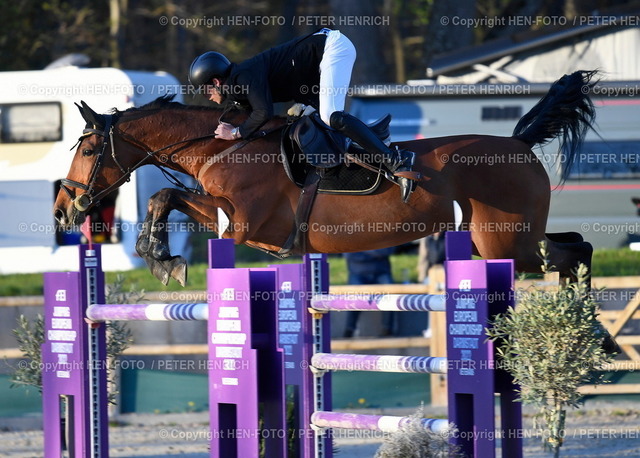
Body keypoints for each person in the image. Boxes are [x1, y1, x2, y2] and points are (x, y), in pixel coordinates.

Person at [188, 28, 417, 201]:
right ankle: (376, 139)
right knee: (318, 122)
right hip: (312, 69)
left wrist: (236, 133)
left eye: (204, 89)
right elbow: (255, 120)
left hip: (332, 47)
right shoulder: (237, 89)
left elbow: (264, 112)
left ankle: (395, 161)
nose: (205, 95)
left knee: (331, 116)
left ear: (216, 82)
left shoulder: (243, 76)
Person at [343, 247, 396, 338]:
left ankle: (387, 329)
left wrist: (361, 248)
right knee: (353, 297)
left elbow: (387, 251)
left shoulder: (381, 232)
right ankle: (350, 329)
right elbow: (348, 254)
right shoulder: (350, 233)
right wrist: (375, 250)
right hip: (358, 274)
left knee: (390, 293)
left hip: (381, 273)